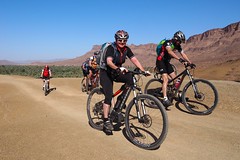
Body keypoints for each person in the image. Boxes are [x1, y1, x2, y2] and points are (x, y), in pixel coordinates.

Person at [100, 30, 150, 132]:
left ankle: (120, 102)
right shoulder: (111, 48)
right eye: (120, 40)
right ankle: (106, 121)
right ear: (116, 40)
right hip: (106, 73)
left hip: (116, 72)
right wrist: (118, 68)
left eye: (124, 40)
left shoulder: (126, 49)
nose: (122, 42)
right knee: (109, 96)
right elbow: (109, 62)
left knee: (130, 79)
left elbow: (134, 60)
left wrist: (143, 71)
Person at [156, 30, 195, 109]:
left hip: (167, 63)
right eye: (179, 41)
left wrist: (190, 62)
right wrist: (179, 59)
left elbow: (183, 53)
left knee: (176, 80)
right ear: (176, 39)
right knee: (166, 79)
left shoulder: (178, 46)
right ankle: (165, 99)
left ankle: (176, 94)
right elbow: (170, 51)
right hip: (160, 61)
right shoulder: (167, 43)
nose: (180, 43)